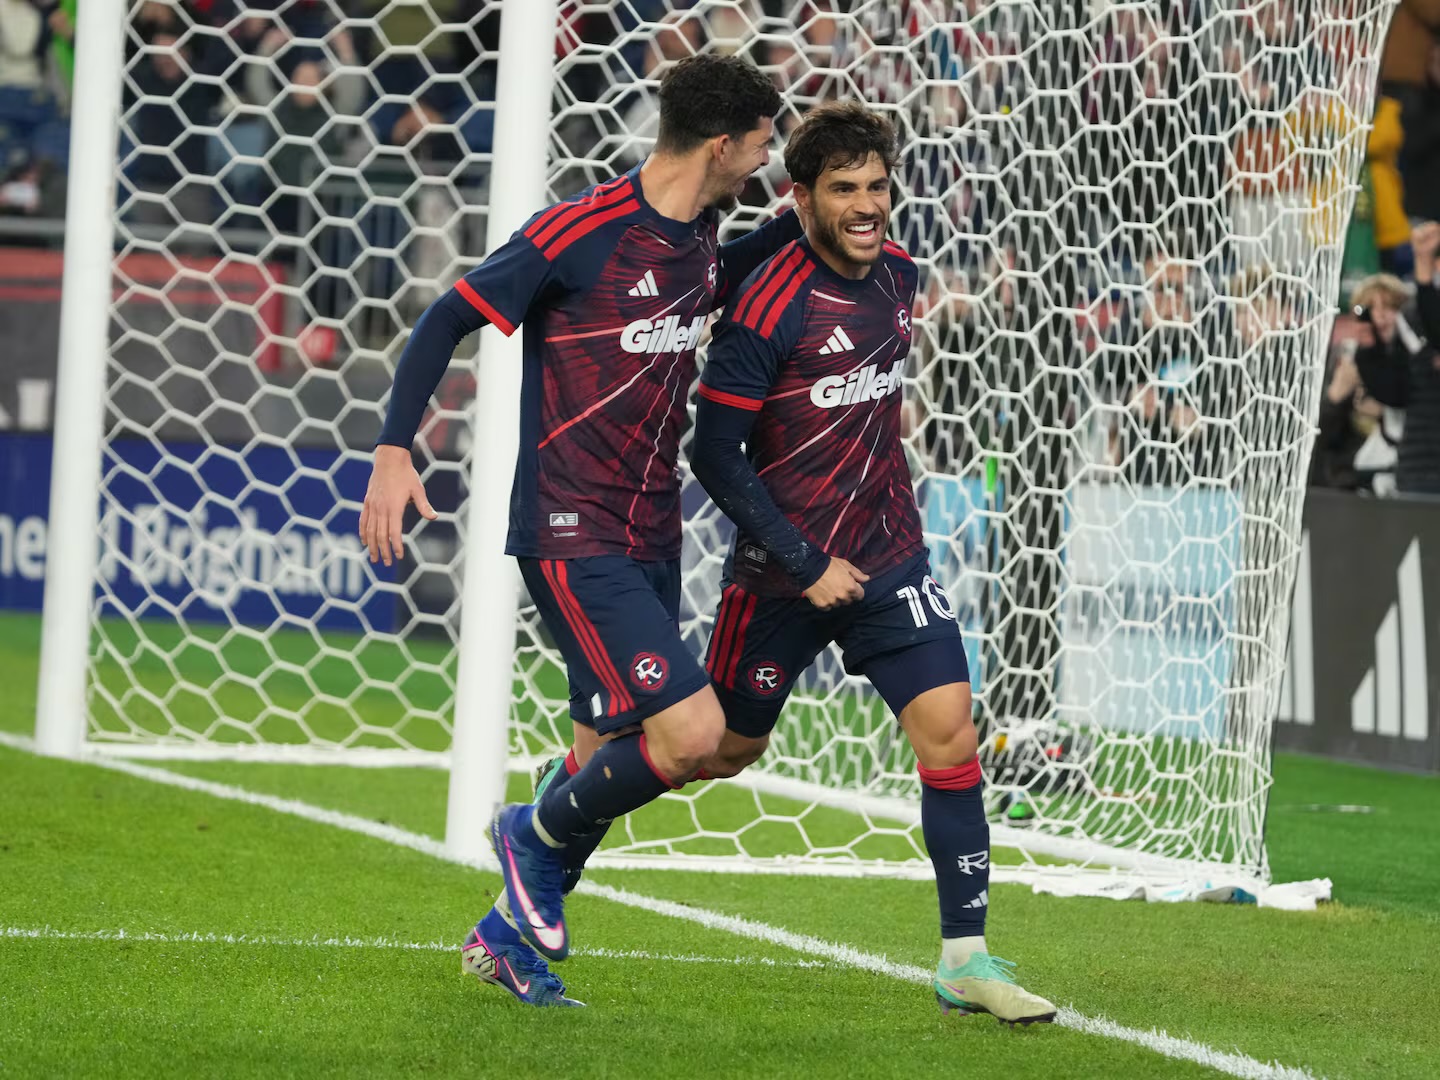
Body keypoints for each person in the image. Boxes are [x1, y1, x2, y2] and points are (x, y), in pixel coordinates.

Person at [359, 54, 799, 1007]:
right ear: (722, 145)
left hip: (650, 533)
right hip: (570, 527)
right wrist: (395, 452)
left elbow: (708, 287)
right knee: (689, 737)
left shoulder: (703, 239)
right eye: (763, 144)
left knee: (604, 760)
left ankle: (503, 937)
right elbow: (444, 321)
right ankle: (522, 836)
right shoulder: (579, 231)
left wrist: (783, 229)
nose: (766, 159)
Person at [688, 101, 1055, 1025]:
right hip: (783, 571)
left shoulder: (902, 274)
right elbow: (716, 455)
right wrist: (805, 562)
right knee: (722, 750)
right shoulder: (765, 301)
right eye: (844, 189)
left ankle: (965, 958)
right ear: (800, 197)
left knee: (951, 731)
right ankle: (568, 797)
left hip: (888, 556)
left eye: (878, 187)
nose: (868, 206)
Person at [1352, 224, 1440, 495]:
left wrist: (1423, 276)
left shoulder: (1421, 310)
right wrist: (1368, 352)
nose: (1381, 316)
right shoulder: (1411, 320)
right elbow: (1396, 393)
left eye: (1388, 306)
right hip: (1419, 466)